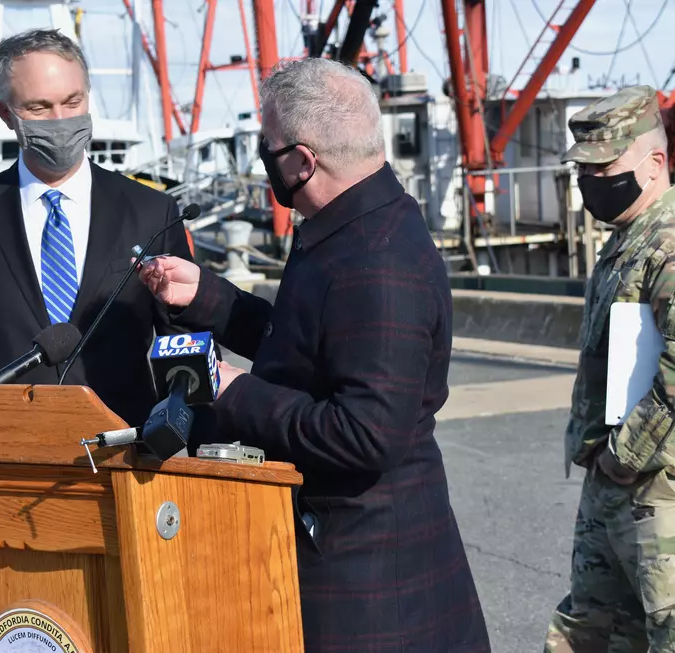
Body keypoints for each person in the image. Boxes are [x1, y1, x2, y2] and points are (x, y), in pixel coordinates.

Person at [137, 58, 490, 652]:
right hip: (349, 559)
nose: (263, 159)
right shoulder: (347, 225)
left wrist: (228, 388)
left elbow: (366, 434)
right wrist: (210, 298)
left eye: (268, 147)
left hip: (373, 588)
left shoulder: (380, 260)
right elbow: (309, 344)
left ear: (302, 161)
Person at [0, 29, 193, 426]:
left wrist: (204, 453)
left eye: (72, 101)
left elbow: (187, 347)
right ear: (7, 114)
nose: (61, 120)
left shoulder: (152, 212)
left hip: (127, 454)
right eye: (39, 108)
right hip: (11, 455)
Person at [544, 85, 675, 652]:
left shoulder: (668, 244)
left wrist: (623, 456)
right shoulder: (628, 237)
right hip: (614, 481)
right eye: (585, 171)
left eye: (606, 167)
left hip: (656, 492)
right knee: (593, 630)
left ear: (654, 164)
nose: (592, 182)